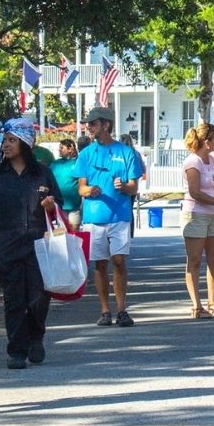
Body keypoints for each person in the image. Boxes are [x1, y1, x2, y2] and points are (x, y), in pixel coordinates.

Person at [0, 119, 62, 368]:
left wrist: (51, 204)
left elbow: (58, 202)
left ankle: (36, 337)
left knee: (38, 298)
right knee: (14, 300)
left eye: (12, 140)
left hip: (39, 246)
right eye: (5, 140)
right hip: (6, 247)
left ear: (25, 143)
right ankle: (16, 351)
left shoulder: (43, 173)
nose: (5, 145)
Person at [74, 106, 142, 327]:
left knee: (119, 261)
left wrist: (124, 186)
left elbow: (134, 187)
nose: (89, 128)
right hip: (94, 218)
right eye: (88, 124)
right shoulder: (85, 154)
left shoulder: (126, 152)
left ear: (106, 125)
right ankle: (105, 311)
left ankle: (122, 309)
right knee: (100, 265)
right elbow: (81, 188)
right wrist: (89, 190)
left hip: (119, 215)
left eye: (93, 124)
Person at [181, 123, 214, 318]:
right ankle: (197, 305)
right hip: (195, 214)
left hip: (213, 214)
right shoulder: (192, 162)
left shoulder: (212, 159)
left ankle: (212, 301)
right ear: (206, 141)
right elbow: (195, 192)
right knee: (194, 260)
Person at [50, 138, 82, 231]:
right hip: (59, 206)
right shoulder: (55, 163)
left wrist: (75, 152)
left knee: (74, 232)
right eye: (59, 148)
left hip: (74, 207)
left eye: (62, 148)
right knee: (61, 234)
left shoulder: (78, 162)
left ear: (70, 149)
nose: (59, 150)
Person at [119, 134, 146, 238]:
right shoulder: (136, 153)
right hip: (133, 185)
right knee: (129, 209)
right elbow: (143, 169)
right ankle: (130, 233)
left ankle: (123, 232)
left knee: (122, 208)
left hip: (123, 183)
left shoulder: (121, 153)